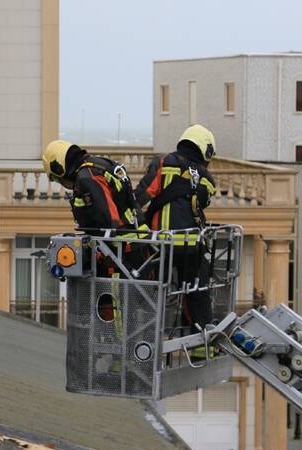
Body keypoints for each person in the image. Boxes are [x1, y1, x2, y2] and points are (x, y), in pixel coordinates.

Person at [135, 125, 217, 332]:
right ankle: (201, 340)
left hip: (159, 247)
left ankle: (143, 339)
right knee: (196, 292)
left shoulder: (164, 163)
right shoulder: (207, 180)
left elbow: (141, 197)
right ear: (205, 151)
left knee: (149, 293)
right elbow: (202, 204)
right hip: (190, 247)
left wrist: (140, 226)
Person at [42, 140, 140, 235]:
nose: (60, 182)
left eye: (55, 178)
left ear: (59, 168)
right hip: (133, 237)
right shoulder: (98, 165)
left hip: (122, 245)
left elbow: (108, 222)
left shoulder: (87, 177)